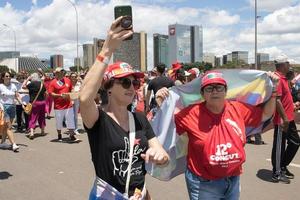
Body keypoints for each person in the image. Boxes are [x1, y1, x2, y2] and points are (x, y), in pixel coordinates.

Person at [79, 17, 169, 200]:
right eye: (125, 82)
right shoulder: (98, 120)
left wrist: (160, 156)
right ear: (109, 88)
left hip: (139, 195)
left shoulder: (140, 118)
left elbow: (162, 155)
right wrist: (107, 49)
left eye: (135, 82)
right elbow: (85, 97)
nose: (132, 87)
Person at [155, 71, 278, 200]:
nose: (215, 91)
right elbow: (165, 126)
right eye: (209, 88)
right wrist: (161, 103)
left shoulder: (238, 109)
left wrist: (274, 89)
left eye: (219, 87)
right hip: (203, 184)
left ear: (225, 91)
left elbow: (266, 114)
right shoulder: (191, 113)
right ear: (202, 94)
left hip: (233, 180)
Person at [271, 56, 300, 183]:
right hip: (282, 120)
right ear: (283, 65)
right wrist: (284, 118)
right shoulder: (277, 79)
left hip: (289, 117)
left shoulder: (283, 79)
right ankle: (277, 173)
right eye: (288, 63)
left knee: (295, 142)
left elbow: (284, 100)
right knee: (279, 146)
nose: (289, 66)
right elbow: (277, 100)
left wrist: (293, 105)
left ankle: (282, 166)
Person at [48, 67, 79, 142]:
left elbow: (71, 89)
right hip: (58, 106)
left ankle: (72, 135)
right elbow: (50, 93)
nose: (61, 73)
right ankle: (59, 135)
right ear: (56, 73)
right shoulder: (53, 82)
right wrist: (60, 95)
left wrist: (71, 95)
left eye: (62, 72)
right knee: (59, 121)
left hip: (68, 105)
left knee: (70, 120)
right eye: (59, 72)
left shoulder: (68, 80)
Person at [0, 71, 23, 151]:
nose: (8, 77)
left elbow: (17, 96)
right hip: (4, 108)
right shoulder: (1, 86)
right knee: (9, 127)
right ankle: (14, 144)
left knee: (6, 127)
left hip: (13, 107)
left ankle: (2, 143)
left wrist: (22, 104)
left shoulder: (13, 86)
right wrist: (1, 107)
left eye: (9, 76)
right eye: (6, 76)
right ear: (3, 78)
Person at [22, 72, 47, 139]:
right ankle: (42, 131)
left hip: (34, 103)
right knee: (42, 116)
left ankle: (32, 132)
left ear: (32, 78)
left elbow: (23, 86)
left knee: (33, 117)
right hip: (42, 102)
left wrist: (27, 79)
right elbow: (45, 93)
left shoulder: (31, 84)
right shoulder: (42, 84)